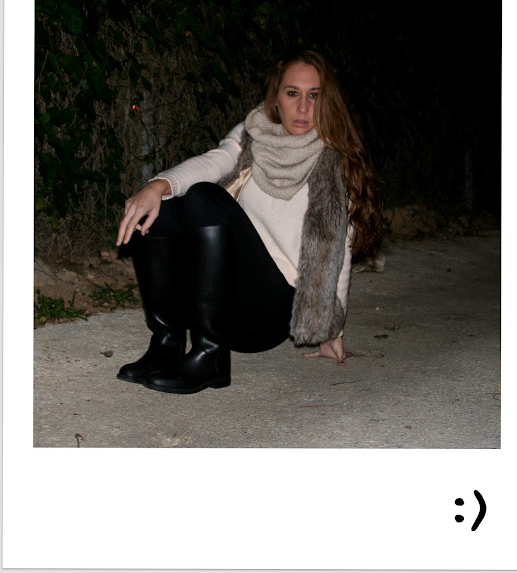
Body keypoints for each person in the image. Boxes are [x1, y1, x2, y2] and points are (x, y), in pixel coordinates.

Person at [115, 50, 382, 394]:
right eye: (292, 93)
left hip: (272, 312)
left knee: (204, 198)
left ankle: (210, 357)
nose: (303, 108)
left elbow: (338, 251)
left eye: (314, 96)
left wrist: (333, 331)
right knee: (162, 208)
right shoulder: (253, 133)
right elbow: (216, 160)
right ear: (276, 97)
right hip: (219, 300)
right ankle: (167, 343)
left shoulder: (337, 161)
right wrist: (156, 186)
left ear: (326, 100)